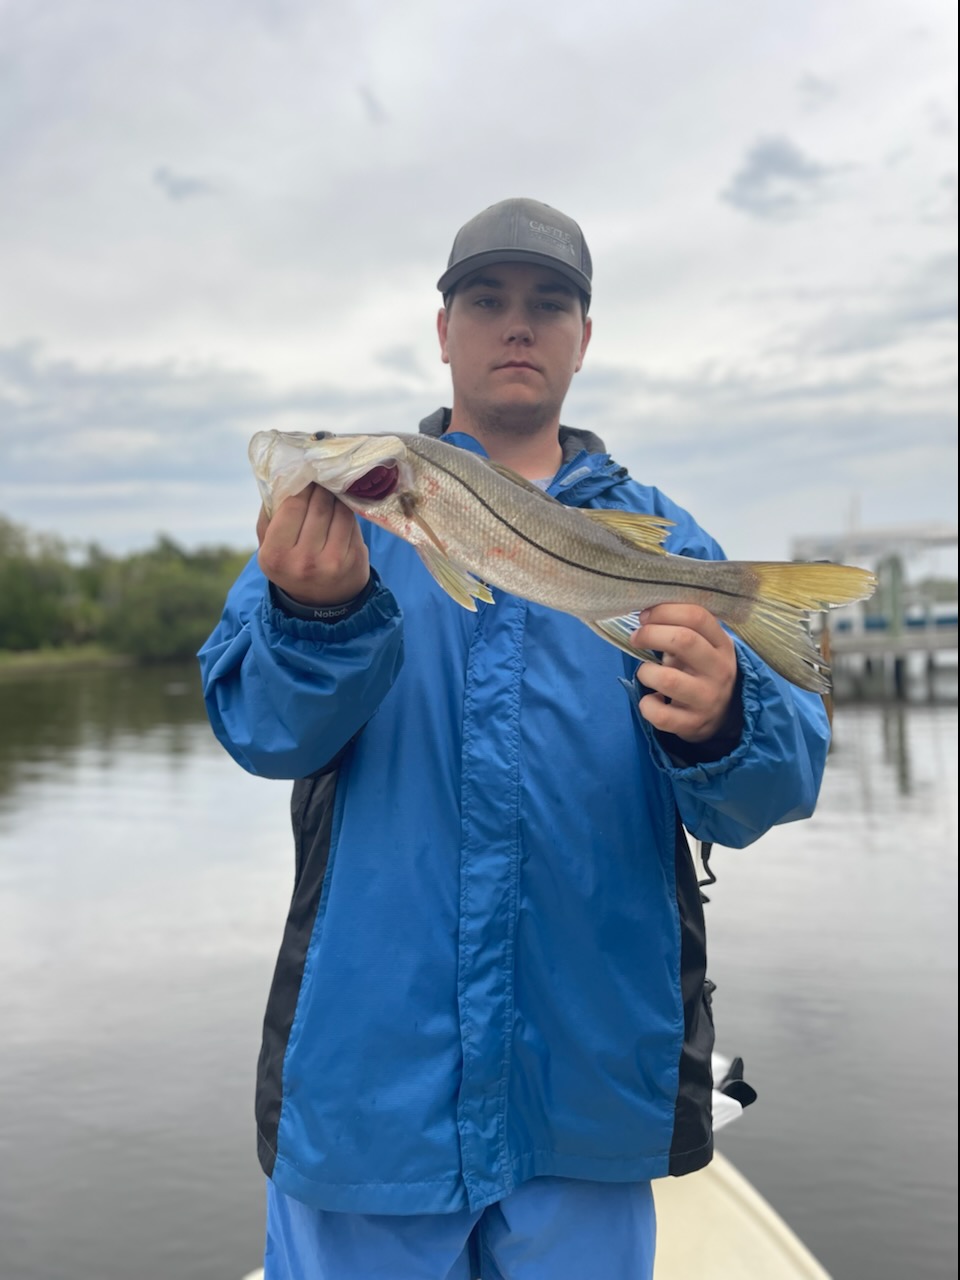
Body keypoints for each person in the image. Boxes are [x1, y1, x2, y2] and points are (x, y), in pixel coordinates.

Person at [198, 197, 831, 1280]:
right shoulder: (338, 537)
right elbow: (259, 730)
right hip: (372, 1091)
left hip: (591, 1080)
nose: (519, 324)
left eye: (550, 303)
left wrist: (728, 718)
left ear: (585, 338)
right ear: (443, 330)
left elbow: (776, 789)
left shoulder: (670, 539)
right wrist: (314, 615)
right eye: (487, 300)